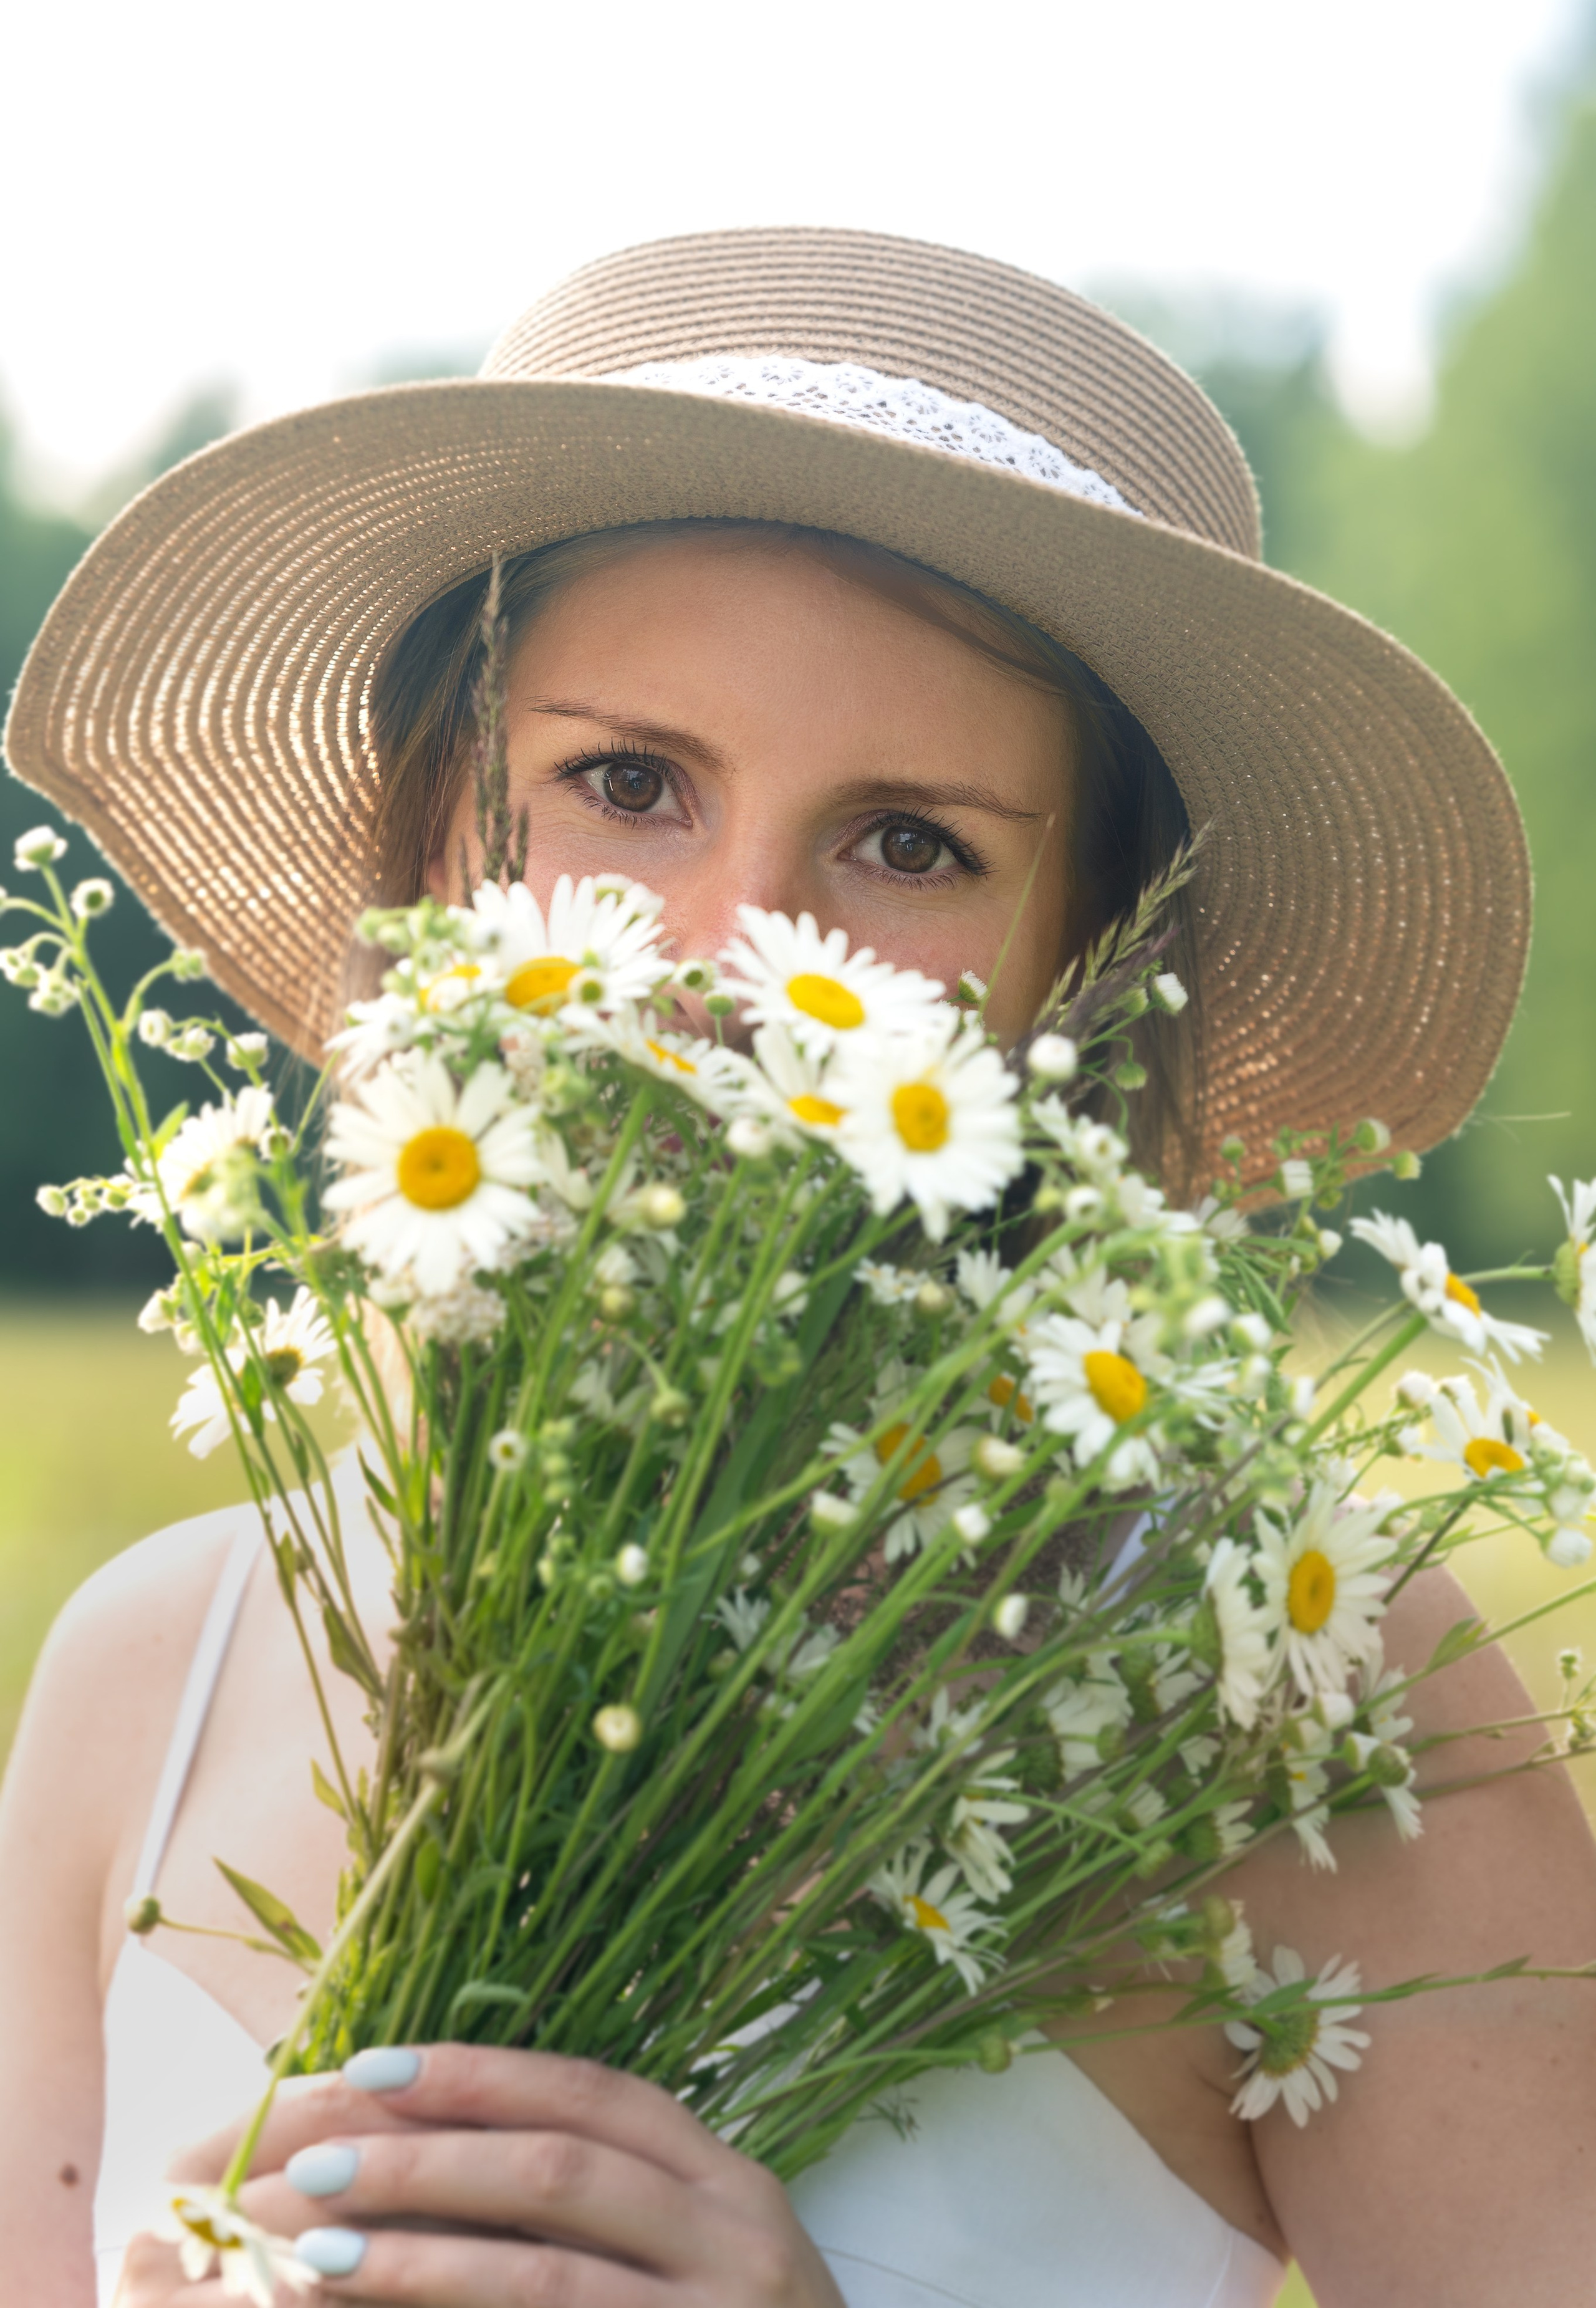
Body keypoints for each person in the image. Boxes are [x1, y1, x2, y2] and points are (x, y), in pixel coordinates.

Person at [1, 228, 1593, 2308]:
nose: (740, 965)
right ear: (432, 852)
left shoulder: (1303, 1710)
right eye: (626, 784)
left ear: (1082, 988)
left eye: (910, 844)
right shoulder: (151, 1677)